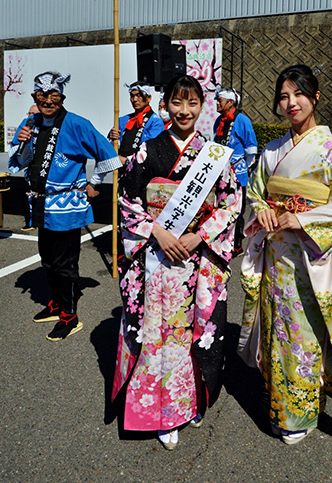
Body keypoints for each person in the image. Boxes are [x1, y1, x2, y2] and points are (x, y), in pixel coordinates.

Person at [237, 64, 332, 445]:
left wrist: (302, 220)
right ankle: (281, 407)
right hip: (276, 259)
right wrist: (263, 209)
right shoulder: (271, 151)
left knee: (304, 337)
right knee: (278, 334)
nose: (290, 103)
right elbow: (254, 194)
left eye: (298, 94)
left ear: (315, 97)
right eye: (283, 96)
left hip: (313, 259)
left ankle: (299, 414)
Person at [112, 74, 242, 450]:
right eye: (176, 102)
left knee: (197, 334)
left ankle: (194, 400)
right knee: (161, 335)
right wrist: (159, 232)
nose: (184, 111)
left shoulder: (214, 154)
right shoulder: (147, 150)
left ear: (202, 107)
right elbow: (128, 201)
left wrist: (197, 235)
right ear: (165, 104)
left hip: (199, 259)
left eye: (192, 103)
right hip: (157, 257)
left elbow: (231, 203)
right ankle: (164, 412)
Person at [9, 71, 122, 341]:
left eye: (54, 96)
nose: (48, 100)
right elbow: (20, 162)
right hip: (40, 204)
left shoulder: (76, 124)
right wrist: (24, 141)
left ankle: (70, 316)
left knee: (65, 264)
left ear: (62, 97)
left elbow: (108, 155)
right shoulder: (31, 122)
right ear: (35, 96)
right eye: (43, 95)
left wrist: (95, 182)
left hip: (66, 206)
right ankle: (57, 303)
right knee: (47, 260)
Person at [214, 86, 257, 255]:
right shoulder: (219, 120)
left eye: (220, 100)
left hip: (237, 172)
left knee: (237, 209)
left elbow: (251, 147)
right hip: (221, 172)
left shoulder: (242, 120)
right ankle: (222, 238)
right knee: (221, 206)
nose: (217, 103)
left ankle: (237, 242)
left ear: (230, 103)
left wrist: (244, 166)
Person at [109, 82, 164, 165]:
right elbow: (109, 147)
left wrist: (127, 161)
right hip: (120, 171)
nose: (134, 99)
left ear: (148, 98)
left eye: (139, 95)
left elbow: (150, 151)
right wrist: (112, 140)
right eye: (132, 96)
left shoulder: (156, 122)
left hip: (143, 171)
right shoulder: (123, 120)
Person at [21, 103, 39, 232]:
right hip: (30, 168)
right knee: (29, 195)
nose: (31, 116)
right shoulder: (26, 129)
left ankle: (37, 220)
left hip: (42, 169)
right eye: (29, 113)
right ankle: (30, 221)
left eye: (34, 114)